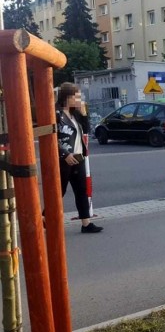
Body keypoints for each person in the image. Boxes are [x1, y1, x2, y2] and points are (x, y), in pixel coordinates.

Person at [55, 82, 103, 233]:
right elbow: (52, 138)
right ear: (67, 97)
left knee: (82, 191)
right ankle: (45, 217)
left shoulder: (74, 113)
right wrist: (64, 153)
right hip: (64, 159)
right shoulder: (57, 114)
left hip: (78, 157)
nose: (78, 99)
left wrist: (83, 114)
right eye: (76, 96)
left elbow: (87, 130)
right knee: (58, 192)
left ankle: (86, 223)